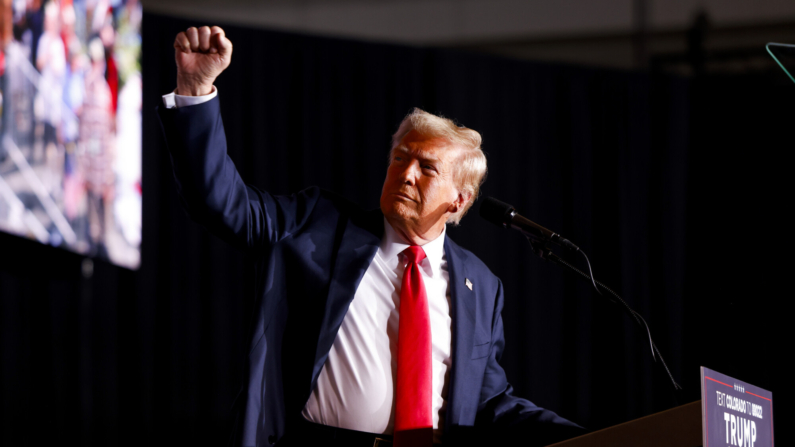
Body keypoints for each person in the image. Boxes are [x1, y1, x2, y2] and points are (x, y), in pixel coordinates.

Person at [157, 26, 583, 447]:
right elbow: (220, 203)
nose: (406, 173)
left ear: (459, 200)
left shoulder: (482, 286)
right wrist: (195, 91)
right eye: (400, 158)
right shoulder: (317, 225)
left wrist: (595, 438)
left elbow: (488, 401)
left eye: (427, 167)